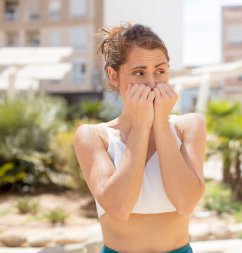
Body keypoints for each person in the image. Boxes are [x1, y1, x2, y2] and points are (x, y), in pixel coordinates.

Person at [74, 23, 206, 253]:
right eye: (139, 73)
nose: (152, 84)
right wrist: (142, 125)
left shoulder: (189, 125)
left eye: (160, 71)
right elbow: (119, 207)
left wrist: (161, 123)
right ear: (113, 76)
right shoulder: (93, 136)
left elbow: (186, 202)